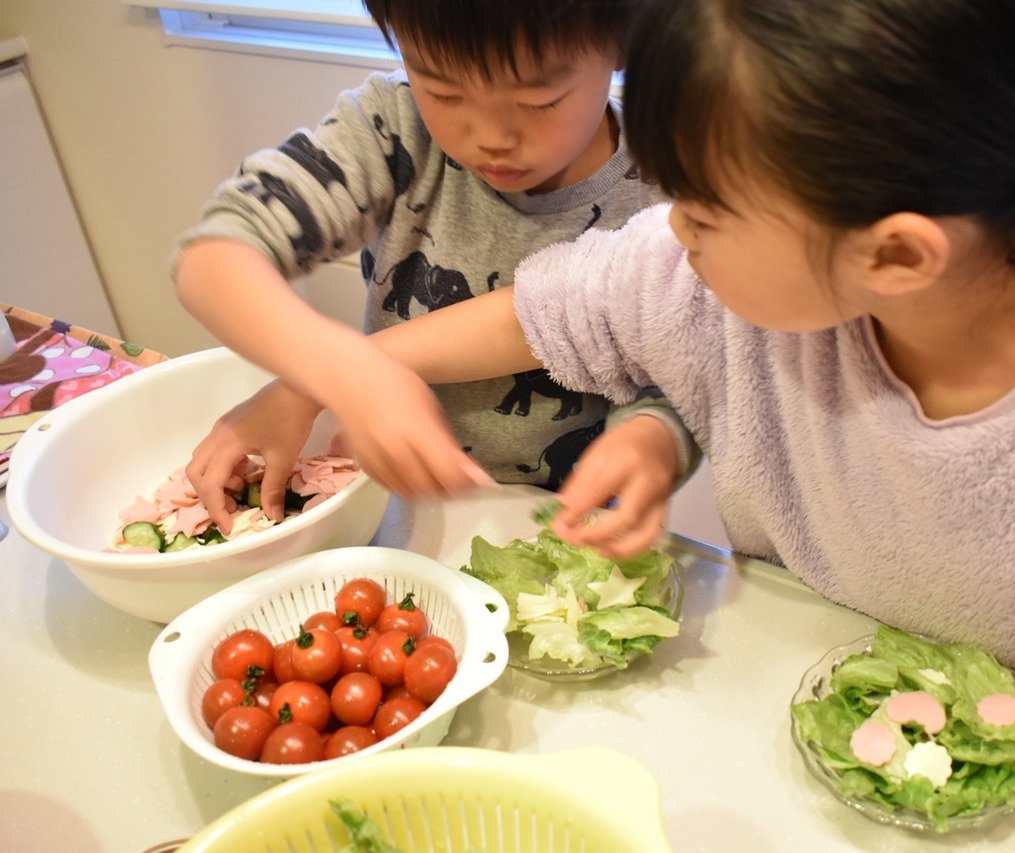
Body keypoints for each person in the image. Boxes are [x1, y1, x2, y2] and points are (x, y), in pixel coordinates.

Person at [193, 0, 1015, 792]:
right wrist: (327, 374)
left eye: (701, 214)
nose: (670, 234)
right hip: (786, 716)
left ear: (893, 257)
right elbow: (540, 307)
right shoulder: (718, 280)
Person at [172, 0, 696, 533]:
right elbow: (214, 257)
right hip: (397, 508)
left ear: (624, 46)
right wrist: (333, 374)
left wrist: (654, 436)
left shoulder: (670, 188)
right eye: (444, 92)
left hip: (560, 528)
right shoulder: (392, 128)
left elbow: (687, 369)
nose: (492, 136)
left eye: (540, 100)